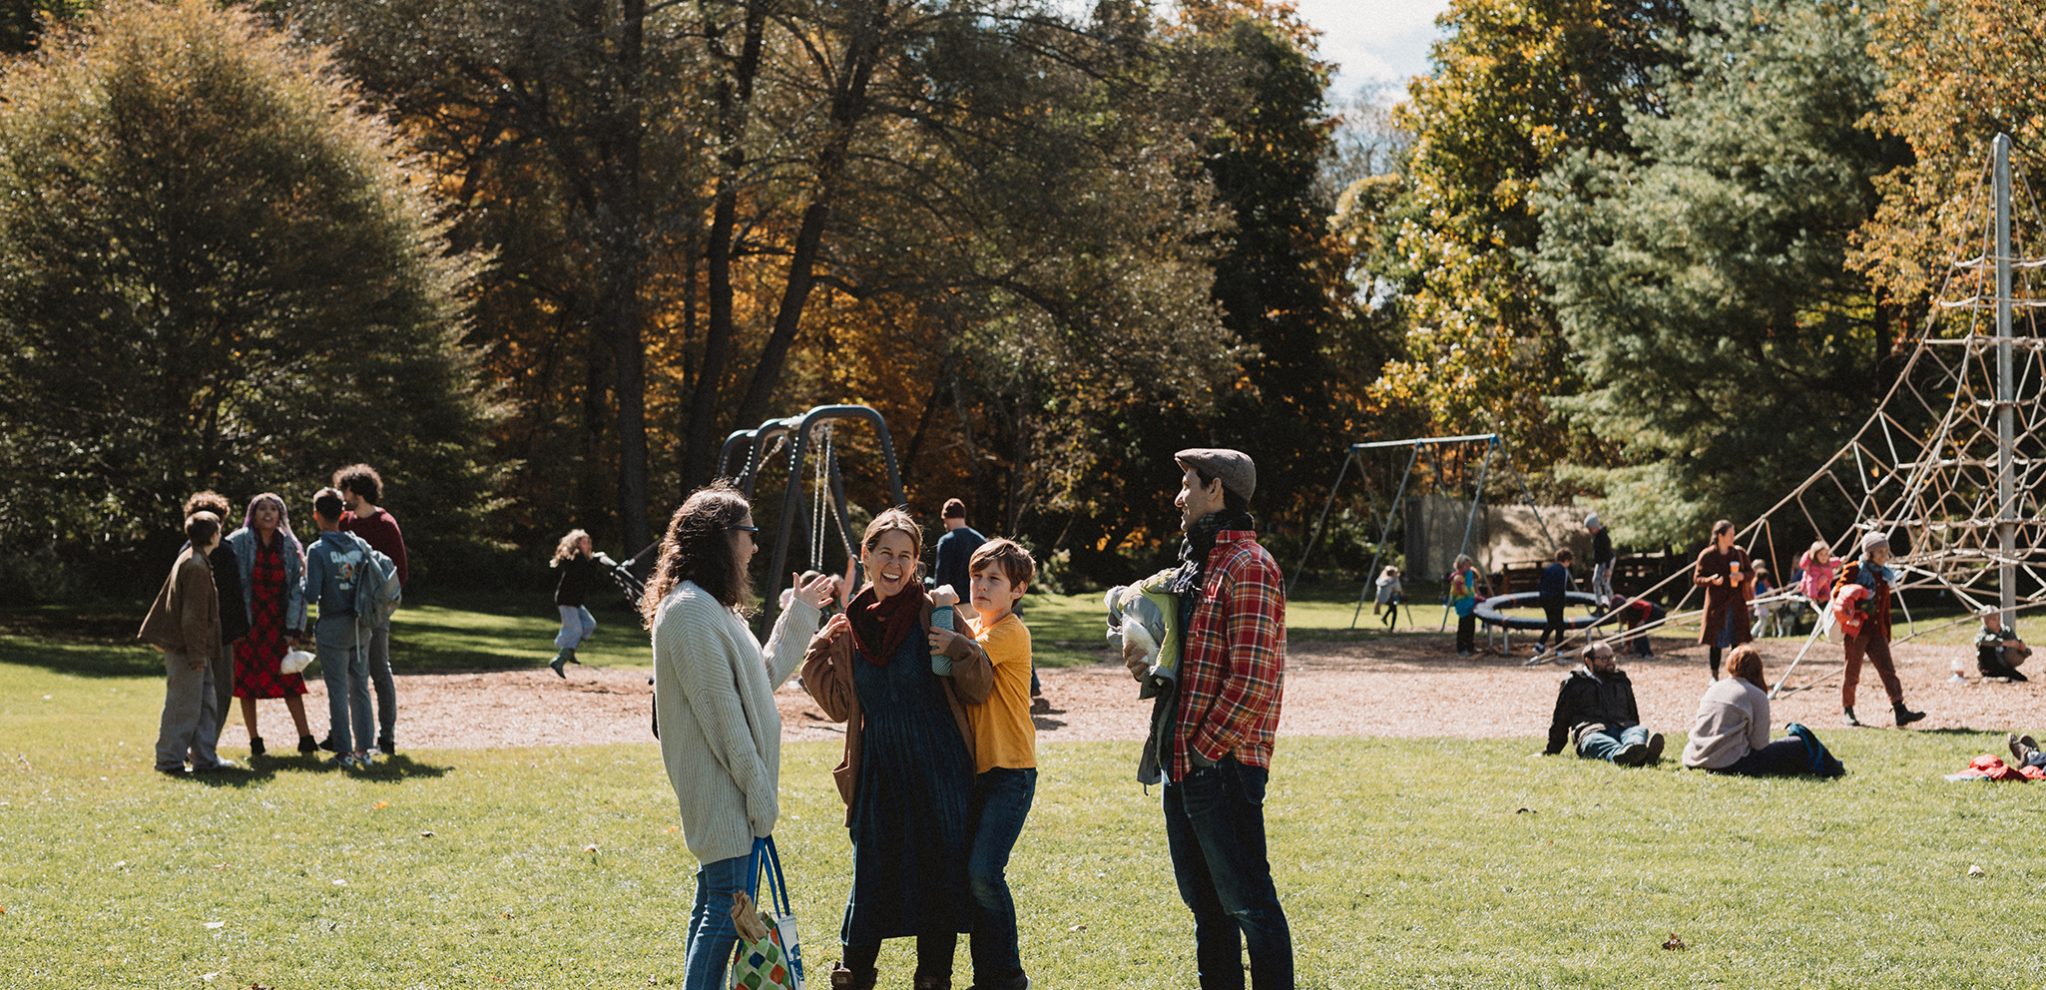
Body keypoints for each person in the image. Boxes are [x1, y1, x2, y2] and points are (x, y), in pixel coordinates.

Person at [646, 484, 836, 990]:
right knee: (722, 917)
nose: (755, 546)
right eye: (749, 534)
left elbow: (761, 677)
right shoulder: (689, 610)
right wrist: (759, 796)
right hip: (722, 791)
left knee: (716, 906)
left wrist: (800, 611)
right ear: (721, 538)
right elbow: (722, 717)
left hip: (731, 792)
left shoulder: (711, 608)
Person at [803, 509, 994, 990]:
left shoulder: (936, 611)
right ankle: (854, 975)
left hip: (939, 767)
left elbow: (978, 686)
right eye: (885, 552)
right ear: (865, 557)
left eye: (905, 556)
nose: (895, 564)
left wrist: (959, 647)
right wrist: (816, 655)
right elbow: (841, 706)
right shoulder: (850, 627)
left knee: (938, 877)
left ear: (916, 563)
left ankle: (934, 979)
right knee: (871, 876)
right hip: (880, 770)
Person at [1124, 448, 1293, 989]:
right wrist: (1146, 663)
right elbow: (1188, 664)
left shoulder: (1250, 566)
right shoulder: (1199, 566)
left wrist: (1202, 752)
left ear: (1215, 489)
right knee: (1207, 909)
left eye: (1188, 484)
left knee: (1250, 907)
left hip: (1220, 766)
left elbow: (1253, 680)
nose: (1179, 496)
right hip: (1186, 763)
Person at [958, 538, 1039, 990]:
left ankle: (1007, 977)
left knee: (985, 874)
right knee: (973, 879)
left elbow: (966, 656)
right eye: (977, 576)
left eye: (994, 579)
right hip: (978, 774)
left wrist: (942, 617)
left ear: (1018, 590)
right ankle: (987, 977)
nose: (982, 586)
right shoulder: (972, 628)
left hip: (1012, 772)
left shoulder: (1009, 632)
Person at [138, 511, 235, 775]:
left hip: (195, 648)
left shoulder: (196, 559)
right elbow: (192, 618)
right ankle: (169, 760)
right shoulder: (195, 565)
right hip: (187, 649)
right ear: (213, 534)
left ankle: (205, 757)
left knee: (205, 704)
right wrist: (196, 656)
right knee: (183, 705)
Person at [225, 492, 317, 757]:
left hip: (276, 624)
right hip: (248, 623)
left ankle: (306, 738)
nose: (267, 513)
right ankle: (255, 741)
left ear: (280, 515)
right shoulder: (239, 541)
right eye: (262, 509)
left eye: (273, 509)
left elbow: (296, 589)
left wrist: (293, 628)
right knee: (246, 685)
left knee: (290, 680)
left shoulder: (288, 545)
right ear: (252, 514)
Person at [1681, 645, 1844, 777]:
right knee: (1800, 742)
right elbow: (1760, 744)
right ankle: (1835, 767)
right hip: (1729, 762)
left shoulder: (1714, 688)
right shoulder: (1756, 695)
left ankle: (1833, 766)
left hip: (1695, 757)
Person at [334, 463, 407, 755]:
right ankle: (347, 736)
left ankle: (386, 737)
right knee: (352, 674)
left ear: (357, 492)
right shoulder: (345, 522)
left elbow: (399, 572)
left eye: (345, 490)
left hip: (375, 611)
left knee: (379, 671)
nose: (343, 496)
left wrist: (381, 606)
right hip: (347, 609)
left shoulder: (385, 524)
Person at [304, 488, 375, 769]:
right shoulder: (358, 546)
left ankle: (343, 752)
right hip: (360, 625)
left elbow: (311, 594)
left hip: (332, 625)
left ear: (316, 516)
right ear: (344, 514)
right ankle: (364, 750)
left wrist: (298, 582)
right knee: (360, 688)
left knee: (337, 690)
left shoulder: (318, 550)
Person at [1835, 531, 1925, 727]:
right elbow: (1838, 594)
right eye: (1880, 552)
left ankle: (1900, 710)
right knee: (1852, 671)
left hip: (1877, 631)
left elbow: (1885, 607)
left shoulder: (1885, 575)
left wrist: (1887, 632)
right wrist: (1857, 599)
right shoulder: (1854, 570)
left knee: (1888, 670)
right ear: (1869, 553)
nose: (1885, 555)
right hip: (1857, 629)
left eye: (1886, 551)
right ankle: (1848, 710)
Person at [183, 493, 247, 738]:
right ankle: (207, 744)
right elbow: (233, 595)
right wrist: (240, 629)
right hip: (221, 633)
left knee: (194, 691)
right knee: (220, 690)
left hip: (193, 632)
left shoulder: (185, 552)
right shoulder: (224, 552)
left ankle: (193, 741)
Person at [1541, 641, 1663, 765]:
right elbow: (1561, 718)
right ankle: (1628, 755)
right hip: (1592, 731)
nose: (1610, 662)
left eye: (1612, 657)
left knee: (1638, 731)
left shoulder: (1621, 679)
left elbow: (1632, 713)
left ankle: (1635, 750)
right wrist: (1552, 749)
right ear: (1588, 661)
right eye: (1604, 658)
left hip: (1624, 729)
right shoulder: (1574, 683)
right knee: (1594, 741)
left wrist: (1633, 727)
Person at [1691, 520, 1754, 681]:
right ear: (1720, 535)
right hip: (1717, 605)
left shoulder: (1739, 553)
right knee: (1716, 641)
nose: (1734, 537)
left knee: (1736, 640)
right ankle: (1714, 675)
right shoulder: (1707, 555)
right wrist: (1711, 580)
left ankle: (1737, 675)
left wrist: (1742, 576)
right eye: (1731, 534)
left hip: (1736, 603)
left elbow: (1751, 573)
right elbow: (1697, 578)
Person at [548, 528, 606, 678]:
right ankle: (559, 660)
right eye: (584, 542)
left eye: (588, 542)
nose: (587, 545)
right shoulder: (576, 558)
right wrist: (596, 560)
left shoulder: (584, 559)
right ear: (576, 544)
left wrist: (596, 560)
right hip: (567, 600)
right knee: (575, 630)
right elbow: (584, 570)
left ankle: (569, 651)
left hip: (576, 602)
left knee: (589, 624)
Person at [932, 498, 987, 596]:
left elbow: (941, 576)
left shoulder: (946, 541)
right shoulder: (980, 539)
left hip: (955, 602)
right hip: (977, 600)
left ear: (945, 517)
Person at [1528, 549, 1573, 664]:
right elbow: (1562, 588)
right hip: (1556, 599)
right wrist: (1562, 602)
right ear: (1567, 560)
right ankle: (1559, 650)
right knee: (1560, 625)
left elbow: (1542, 583)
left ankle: (1539, 645)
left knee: (1552, 622)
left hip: (1544, 598)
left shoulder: (1548, 568)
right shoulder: (1563, 570)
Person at [1975, 605, 2032, 682]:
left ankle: (2001, 677)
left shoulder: (2006, 630)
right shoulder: (1983, 632)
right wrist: (2004, 643)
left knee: (2023, 679)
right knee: (1986, 646)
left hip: (2003, 665)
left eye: (1999, 618)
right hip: (1989, 667)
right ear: (1986, 622)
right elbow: (1980, 641)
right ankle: (1991, 676)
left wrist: (2023, 649)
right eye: (1994, 619)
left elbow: (2019, 644)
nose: (1998, 621)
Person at [1796, 540, 1839, 632]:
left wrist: (1840, 560)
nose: (1824, 557)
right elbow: (1811, 583)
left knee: (1829, 596)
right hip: (1811, 590)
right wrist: (1813, 597)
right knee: (1823, 578)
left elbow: (1833, 562)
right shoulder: (1813, 568)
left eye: (1826, 554)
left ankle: (1825, 608)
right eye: (1821, 554)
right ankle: (1819, 601)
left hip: (1823, 589)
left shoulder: (1826, 563)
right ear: (1815, 555)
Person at [1610, 592, 1665, 658]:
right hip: (1648, 617)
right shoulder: (1629, 614)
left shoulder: (1632, 603)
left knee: (1640, 630)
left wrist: (1643, 620)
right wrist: (1627, 645)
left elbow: (1648, 606)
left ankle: (1648, 654)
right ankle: (1639, 652)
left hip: (1657, 615)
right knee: (1637, 630)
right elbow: (1631, 629)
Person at [1448, 554, 1482, 656]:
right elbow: (1460, 591)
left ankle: (1470, 645)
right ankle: (1461, 648)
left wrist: (1476, 595)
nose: (1467, 567)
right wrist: (1469, 593)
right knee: (1464, 626)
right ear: (1460, 566)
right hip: (1462, 604)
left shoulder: (1469, 574)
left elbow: (1472, 586)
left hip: (1470, 602)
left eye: (1468, 565)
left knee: (1471, 625)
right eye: (1465, 566)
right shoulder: (1458, 578)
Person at [1586, 513, 1615, 605]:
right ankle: (1599, 604)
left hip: (1607, 561)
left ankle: (1613, 604)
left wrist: (1607, 568)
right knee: (1596, 581)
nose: (1589, 531)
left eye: (1590, 529)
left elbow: (1607, 553)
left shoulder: (1603, 537)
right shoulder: (1596, 536)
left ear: (1595, 527)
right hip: (1600, 562)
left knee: (1605, 583)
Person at [1372, 565, 1403, 631]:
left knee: (1392, 607)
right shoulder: (1393, 581)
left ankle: (1384, 618)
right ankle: (1391, 627)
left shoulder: (1382, 579)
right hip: (1386, 598)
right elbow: (1398, 590)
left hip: (1379, 598)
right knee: (1394, 610)